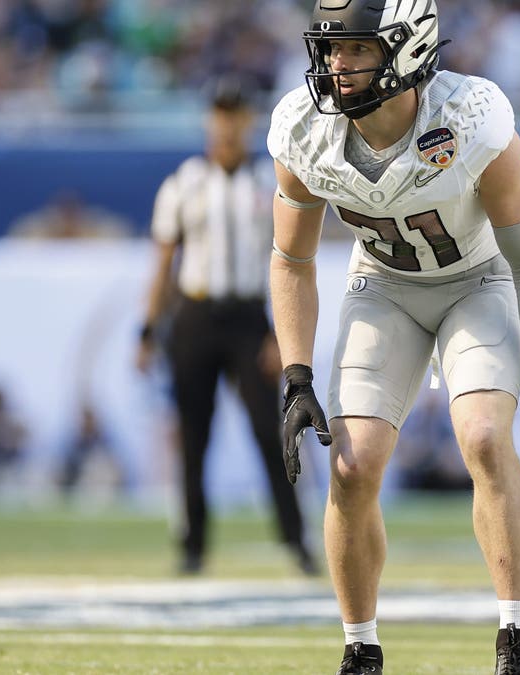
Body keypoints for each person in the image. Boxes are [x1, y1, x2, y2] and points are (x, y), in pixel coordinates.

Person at [267, 2, 520, 673]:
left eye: (356, 49)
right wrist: (296, 373)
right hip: (383, 285)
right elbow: (291, 258)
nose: (337, 64)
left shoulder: (471, 117)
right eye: (331, 49)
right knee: (351, 467)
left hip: (478, 279)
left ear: (407, 48)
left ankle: (516, 636)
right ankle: (361, 646)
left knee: (480, 435)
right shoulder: (303, 128)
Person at [136, 76, 318, 577]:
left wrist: (281, 334)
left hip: (248, 319)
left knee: (270, 431)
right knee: (194, 435)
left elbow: (290, 259)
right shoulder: (184, 182)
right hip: (196, 315)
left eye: (235, 116)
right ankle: (193, 545)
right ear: (209, 121)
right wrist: (148, 329)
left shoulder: (269, 182)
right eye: (219, 116)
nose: (226, 126)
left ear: (248, 122)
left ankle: (296, 540)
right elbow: (164, 263)